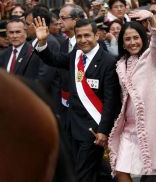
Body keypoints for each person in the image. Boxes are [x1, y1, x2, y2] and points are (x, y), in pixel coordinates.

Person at [33, 17, 121, 182]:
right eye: (79, 36)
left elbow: (111, 101)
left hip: (93, 129)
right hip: (73, 126)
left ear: (96, 36)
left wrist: (103, 130)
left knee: (82, 174)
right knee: (98, 172)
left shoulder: (108, 62)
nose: (83, 40)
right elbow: (55, 60)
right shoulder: (76, 54)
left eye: (87, 35)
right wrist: (42, 43)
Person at [108, 9, 156, 182]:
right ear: (122, 43)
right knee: (121, 169)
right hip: (128, 127)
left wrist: (151, 18)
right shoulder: (120, 64)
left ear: (143, 38)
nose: (132, 42)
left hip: (153, 125)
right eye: (127, 39)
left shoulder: (152, 59)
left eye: (136, 37)